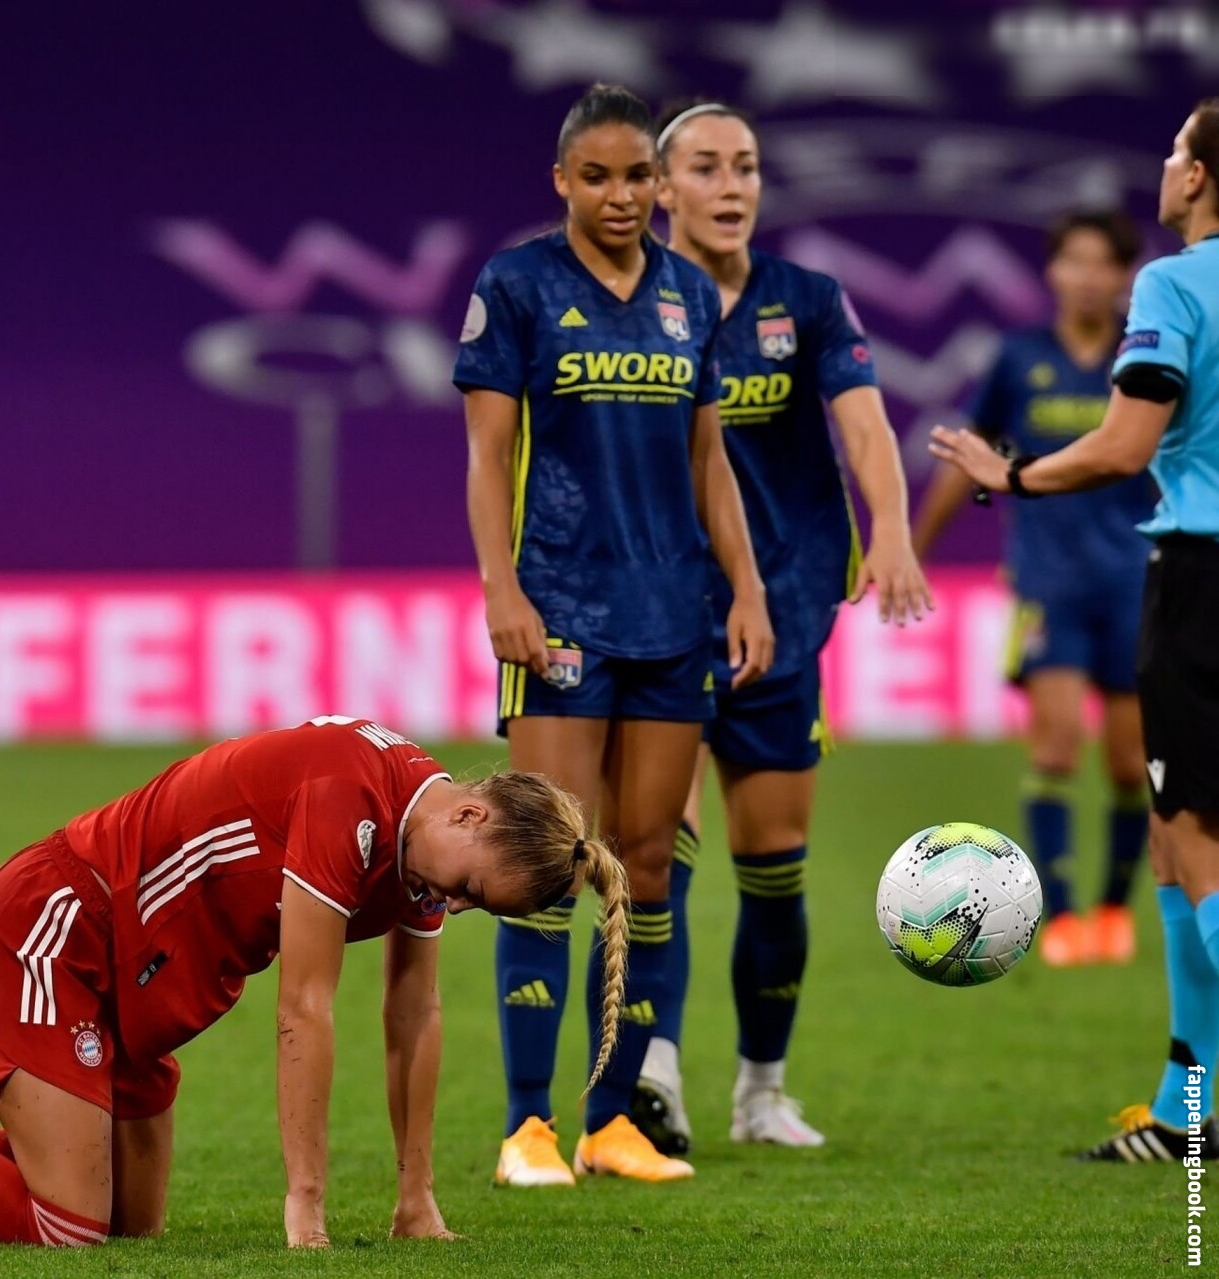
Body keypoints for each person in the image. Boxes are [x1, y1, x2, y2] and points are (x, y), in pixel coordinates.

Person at [0, 717, 631, 1247]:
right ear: (470, 814)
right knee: (68, 1227)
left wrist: (415, 1194)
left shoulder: (423, 847)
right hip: (58, 929)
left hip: (133, 988)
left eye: (474, 907)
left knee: (132, 1221)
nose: (451, 904)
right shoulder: (350, 794)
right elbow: (305, 1008)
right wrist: (305, 1205)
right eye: (469, 886)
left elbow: (414, 1012)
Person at [455, 84, 774, 1186]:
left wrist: (746, 589)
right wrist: (502, 589)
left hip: (672, 618)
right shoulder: (517, 286)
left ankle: (610, 1118)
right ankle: (526, 1126)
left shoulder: (689, 295)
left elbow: (708, 458)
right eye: (597, 177)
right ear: (562, 181)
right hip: (560, 613)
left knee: (646, 867)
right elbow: (487, 458)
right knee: (549, 859)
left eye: (638, 175)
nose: (622, 195)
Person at [626, 102, 933, 1158]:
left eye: (747, 167)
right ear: (663, 189)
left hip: (786, 611)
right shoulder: (628, 307)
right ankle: (654, 1075)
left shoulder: (805, 301)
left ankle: (762, 1091)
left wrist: (892, 528)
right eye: (707, 167)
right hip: (660, 615)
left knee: (773, 866)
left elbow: (864, 425)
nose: (732, 186)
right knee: (653, 857)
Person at [931, 100, 1219, 1164]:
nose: (1167, 163)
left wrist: (1011, 477)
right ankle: (1183, 1107)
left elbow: (1123, 443)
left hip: (1196, 577)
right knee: (1170, 839)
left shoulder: (1175, 284)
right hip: (1135, 583)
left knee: (1195, 844)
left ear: (1198, 177)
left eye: (1178, 148)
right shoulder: (1027, 351)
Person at [915, 211, 1153, 968]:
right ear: (1051, 271)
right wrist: (915, 548)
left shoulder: (1145, 359)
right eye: (1072, 260)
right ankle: (1062, 914)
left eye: (1101, 263)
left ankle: (1113, 910)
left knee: (1130, 763)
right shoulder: (1018, 359)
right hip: (1045, 583)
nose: (1086, 277)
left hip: (1137, 581)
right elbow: (972, 458)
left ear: (1124, 275)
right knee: (1054, 746)